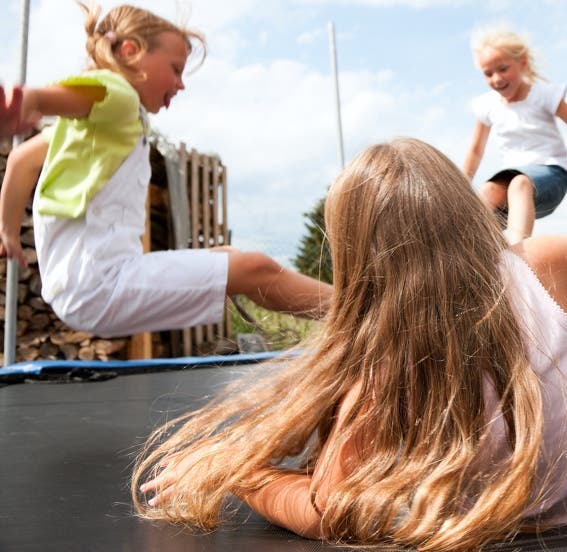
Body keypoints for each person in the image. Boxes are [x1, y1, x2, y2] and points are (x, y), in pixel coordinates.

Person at [132, 123, 567, 550]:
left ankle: (515, 243)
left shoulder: (377, 374)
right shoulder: (542, 266)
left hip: (564, 491)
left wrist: (242, 473)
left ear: (353, 260)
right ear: (466, 215)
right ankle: (513, 241)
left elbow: (326, 511)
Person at [0, 2, 330, 337]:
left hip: (85, 286)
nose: (181, 83)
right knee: (256, 268)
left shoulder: (88, 131)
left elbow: (20, 160)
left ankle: (347, 316)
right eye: (175, 69)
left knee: (230, 256)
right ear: (131, 52)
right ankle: (360, 311)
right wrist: (32, 100)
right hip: (101, 286)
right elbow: (75, 96)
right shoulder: (119, 96)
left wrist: (9, 233)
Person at [463, 28, 567, 244]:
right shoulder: (487, 106)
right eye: (488, 73)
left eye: (503, 69)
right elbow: (476, 151)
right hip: (512, 181)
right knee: (486, 193)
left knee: (520, 183)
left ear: (522, 63)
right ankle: (482, 257)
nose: (496, 79)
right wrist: (460, 186)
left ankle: (520, 260)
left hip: (552, 174)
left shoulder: (544, 95)